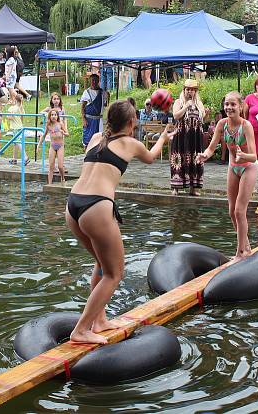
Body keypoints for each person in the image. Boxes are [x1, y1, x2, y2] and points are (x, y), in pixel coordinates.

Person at [66, 100, 173, 344]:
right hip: (97, 208)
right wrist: (164, 138)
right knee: (114, 273)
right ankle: (81, 329)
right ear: (132, 122)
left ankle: (99, 320)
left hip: (73, 205)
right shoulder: (131, 143)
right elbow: (152, 157)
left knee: (101, 264)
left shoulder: (95, 138)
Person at [197, 91, 257, 260]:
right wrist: (204, 155)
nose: (229, 107)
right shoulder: (222, 124)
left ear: (241, 106)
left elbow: (253, 155)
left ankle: (240, 253)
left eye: (233, 104)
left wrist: (243, 156)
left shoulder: (246, 126)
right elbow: (211, 147)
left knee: (240, 211)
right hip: (233, 167)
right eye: (226, 104)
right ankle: (247, 248)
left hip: (248, 167)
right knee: (231, 211)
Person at [170, 79, 206, 195]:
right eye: (188, 89)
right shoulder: (178, 102)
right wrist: (186, 106)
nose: (190, 92)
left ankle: (193, 188)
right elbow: (176, 115)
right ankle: (176, 187)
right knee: (180, 160)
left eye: (192, 90)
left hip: (195, 137)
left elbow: (202, 117)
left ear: (195, 91)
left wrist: (206, 113)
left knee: (194, 160)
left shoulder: (199, 103)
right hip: (181, 136)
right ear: (184, 90)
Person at [40, 109, 68, 184]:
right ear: (49, 116)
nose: (53, 116)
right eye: (52, 115)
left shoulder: (60, 124)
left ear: (57, 116)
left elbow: (67, 133)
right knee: (51, 167)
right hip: (52, 146)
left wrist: (63, 133)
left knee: (60, 166)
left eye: (55, 115)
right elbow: (44, 135)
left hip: (60, 146)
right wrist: (38, 145)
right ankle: (49, 183)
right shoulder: (48, 125)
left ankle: (62, 177)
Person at [81, 73, 109, 147]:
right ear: (90, 81)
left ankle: (97, 155)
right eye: (92, 80)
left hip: (99, 120)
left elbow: (105, 105)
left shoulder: (102, 92)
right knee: (88, 140)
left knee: (99, 139)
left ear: (98, 81)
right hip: (89, 120)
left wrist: (108, 97)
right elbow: (82, 106)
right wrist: (83, 119)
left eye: (95, 80)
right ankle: (87, 154)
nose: (94, 82)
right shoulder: (87, 92)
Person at [2, 90, 29, 166]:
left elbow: (9, 117)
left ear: (14, 99)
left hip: (15, 128)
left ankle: (25, 157)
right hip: (20, 127)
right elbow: (22, 117)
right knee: (15, 144)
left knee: (18, 142)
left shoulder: (12, 108)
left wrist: (8, 115)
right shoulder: (21, 108)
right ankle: (14, 159)